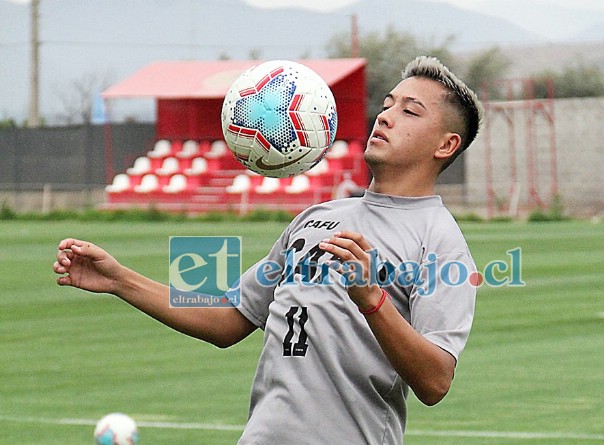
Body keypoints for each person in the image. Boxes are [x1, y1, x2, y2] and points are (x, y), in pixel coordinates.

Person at [53, 56, 483, 444]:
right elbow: (229, 319)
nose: (386, 117)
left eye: (410, 111)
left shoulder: (440, 241)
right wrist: (119, 279)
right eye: (388, 104)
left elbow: (435, 381)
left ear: (445, 145)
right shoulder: (315, 218)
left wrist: (373, 301)